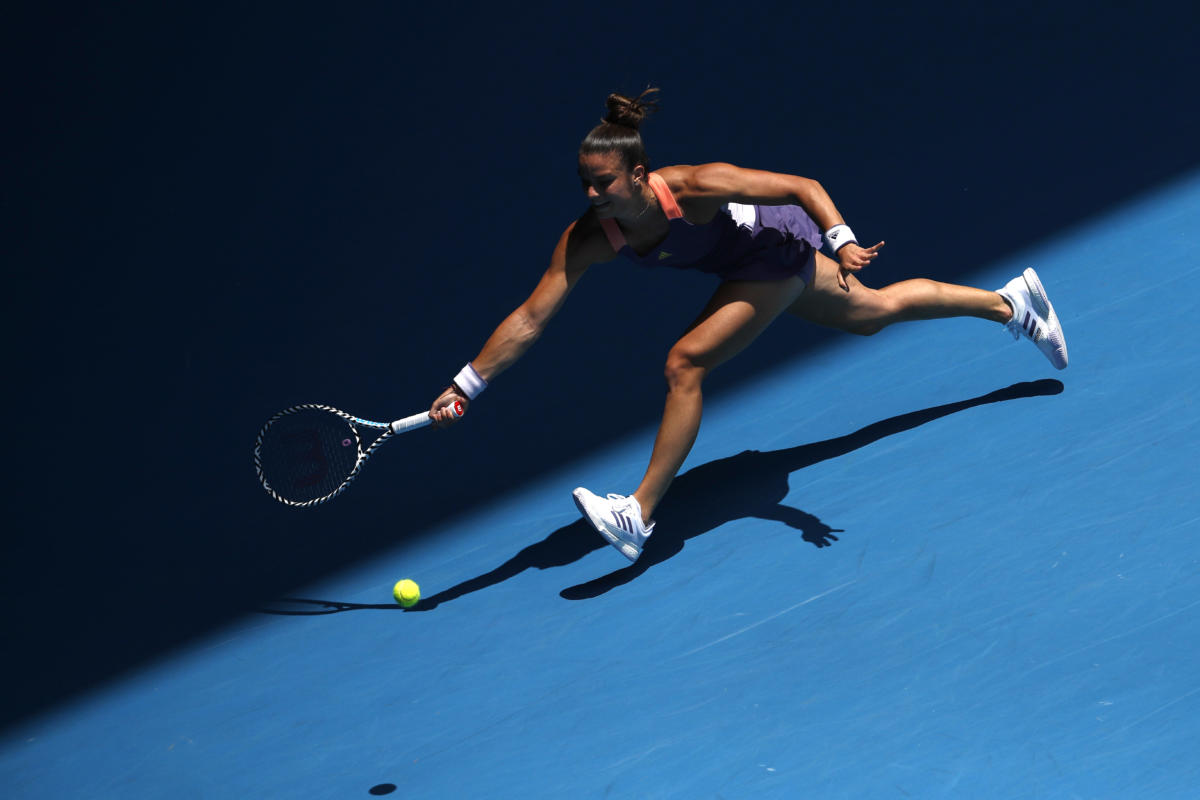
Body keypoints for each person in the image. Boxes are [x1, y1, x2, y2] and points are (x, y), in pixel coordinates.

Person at [429, 87, 1067, 563]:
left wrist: (839, 240)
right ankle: (1013, 304)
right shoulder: (593, 236)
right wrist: (467, 385)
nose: (591, 196)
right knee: (875, 314)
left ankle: (639, 514)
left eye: (603, 184)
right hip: (750, 269)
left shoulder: (698, 187)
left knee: (686, 363)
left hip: (778, 253)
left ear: (639, 175)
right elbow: (532, 317)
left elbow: (801, 186)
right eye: (584, 185)